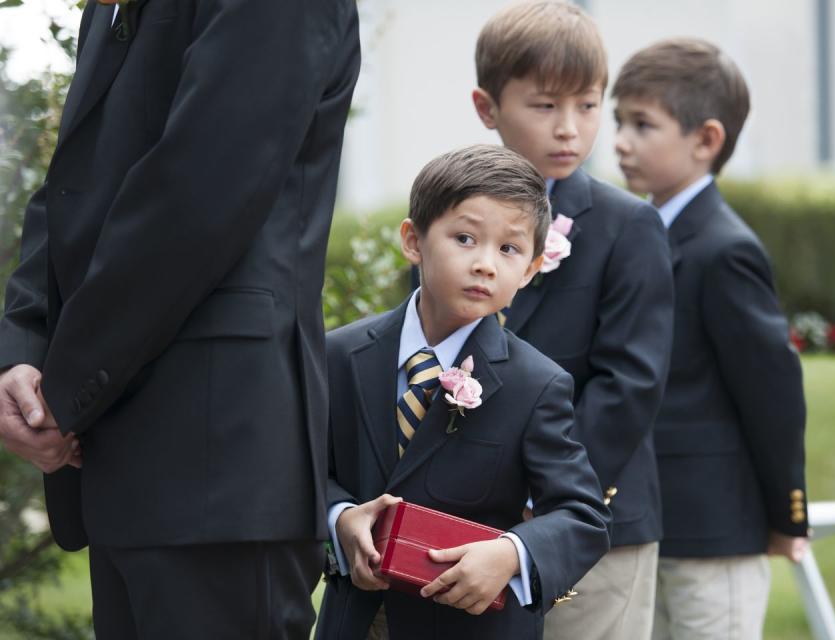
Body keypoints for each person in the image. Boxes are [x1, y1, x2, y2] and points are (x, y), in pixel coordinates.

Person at [0, 1, 360, 637]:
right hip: (118, 456)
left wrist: (66, 385)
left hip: (218, 460)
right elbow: (74, 182)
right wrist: (23, 345)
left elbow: (197, 195)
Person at [315, 144, 610, 640]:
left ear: (532, 269)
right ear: (413, 240)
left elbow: (582, 516)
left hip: (472, 626)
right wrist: (339, 517)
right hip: (357, 622)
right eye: (466, 238)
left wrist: (510, 554)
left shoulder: (535, 384)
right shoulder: (339, 356)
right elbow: (300, 470)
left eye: (509, 249)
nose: (485, 264)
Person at [469, 3, 674, 638]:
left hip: (592, 523)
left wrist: (544, 495)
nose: (569, 129)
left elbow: (628, 386)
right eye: (544, 106)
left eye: (587, 106)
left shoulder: (627, 226)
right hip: (478, 525)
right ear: (487, 108)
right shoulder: (459, 215)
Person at [612, 38, 809, 639]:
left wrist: (788, 513)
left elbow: (773, 395)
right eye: (619, 120)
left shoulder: (726, 250)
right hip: (648, 521)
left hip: (717, 529)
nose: (619, 140)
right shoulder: (636, 233)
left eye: (642, 124)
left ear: (706, 140)